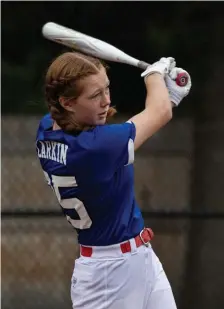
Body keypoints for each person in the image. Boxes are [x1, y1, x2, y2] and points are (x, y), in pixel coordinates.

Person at [36, 51, 191, 309]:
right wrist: (154, 73)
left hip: (140, 258)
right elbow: (159, 112)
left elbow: (147, 118)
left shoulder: (47, 130)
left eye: (106, 89)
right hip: (107, 275)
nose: (106, 101)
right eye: (95, 96)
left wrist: (168, 96)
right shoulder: (94, 148)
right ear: (67, 102)